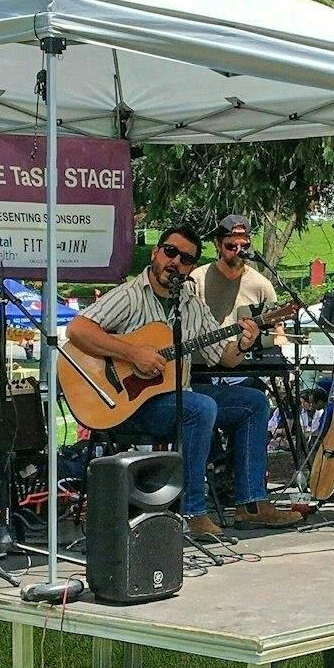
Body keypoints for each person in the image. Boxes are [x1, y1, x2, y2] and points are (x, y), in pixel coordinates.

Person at [66, 223, 302, 538]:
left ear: (191, 267)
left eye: (186, 259)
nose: (176, 262)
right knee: (199, 406)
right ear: (156, 253)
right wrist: (134, 354)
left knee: (254, 402)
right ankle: (192, 511)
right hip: (123, 406)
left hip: (173, 397)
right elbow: (77, 330)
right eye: (170, 252)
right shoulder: (131, 295)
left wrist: (247, 341)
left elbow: (226, 357)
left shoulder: (190, 302)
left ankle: (251, 504)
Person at [193, 213, 280, 334]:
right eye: (231, 246)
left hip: (244, 352)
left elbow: (277, 330)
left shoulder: (262, 285)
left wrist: (281, 339)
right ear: (218, 245)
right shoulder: (196, 279)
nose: (239, 251)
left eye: (244, 246)